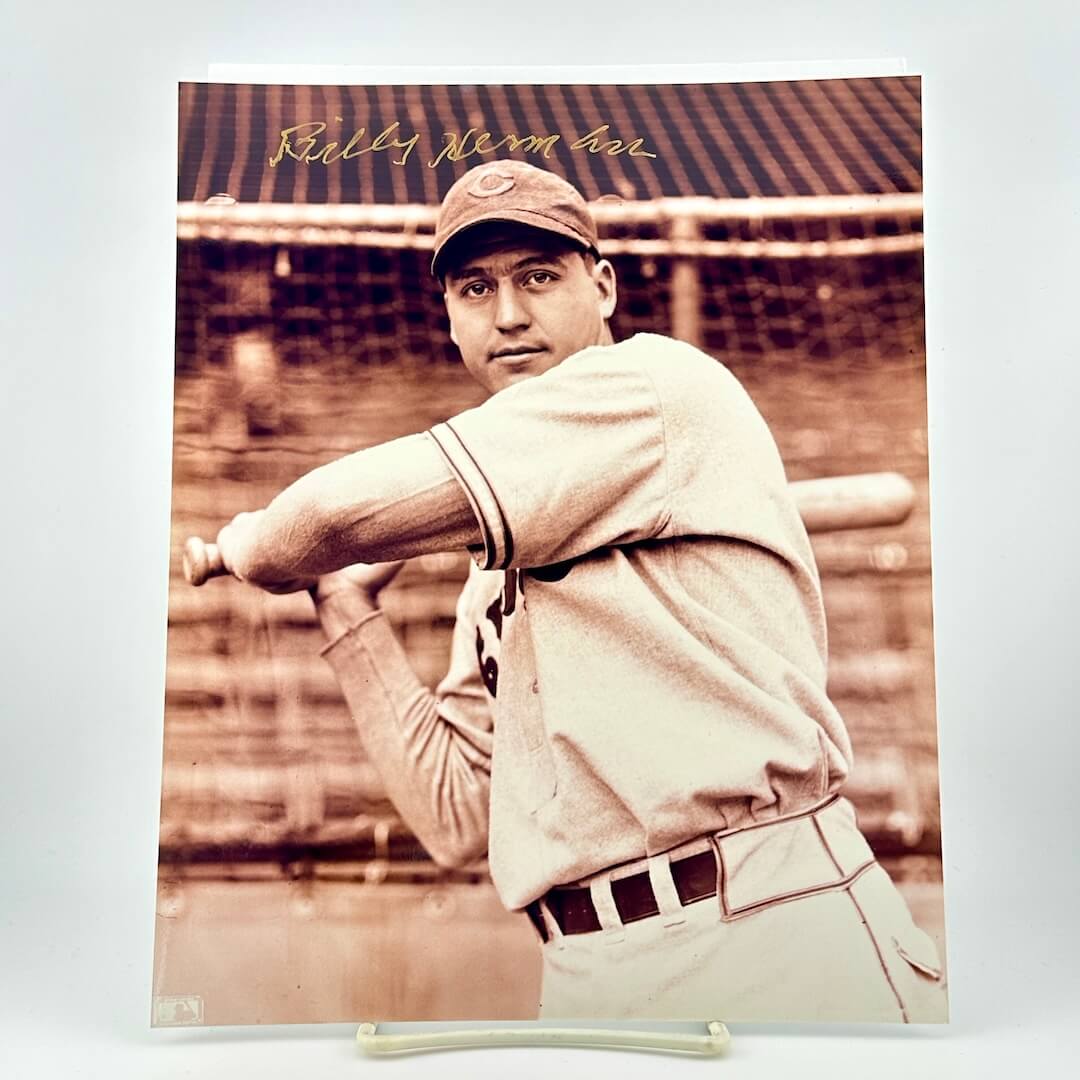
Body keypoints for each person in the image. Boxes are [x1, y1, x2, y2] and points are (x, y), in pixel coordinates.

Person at [212, 160, 947, 1022]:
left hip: (766, 928)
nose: (510, 314)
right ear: (448, 317)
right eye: (476, 288)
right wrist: (344, 607)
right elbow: (458, 820)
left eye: (538, 277)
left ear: (600, 287)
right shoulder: (495, 568)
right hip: (590, 973)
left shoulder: (655, 388)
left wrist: (259, 545)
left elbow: (315, 519)